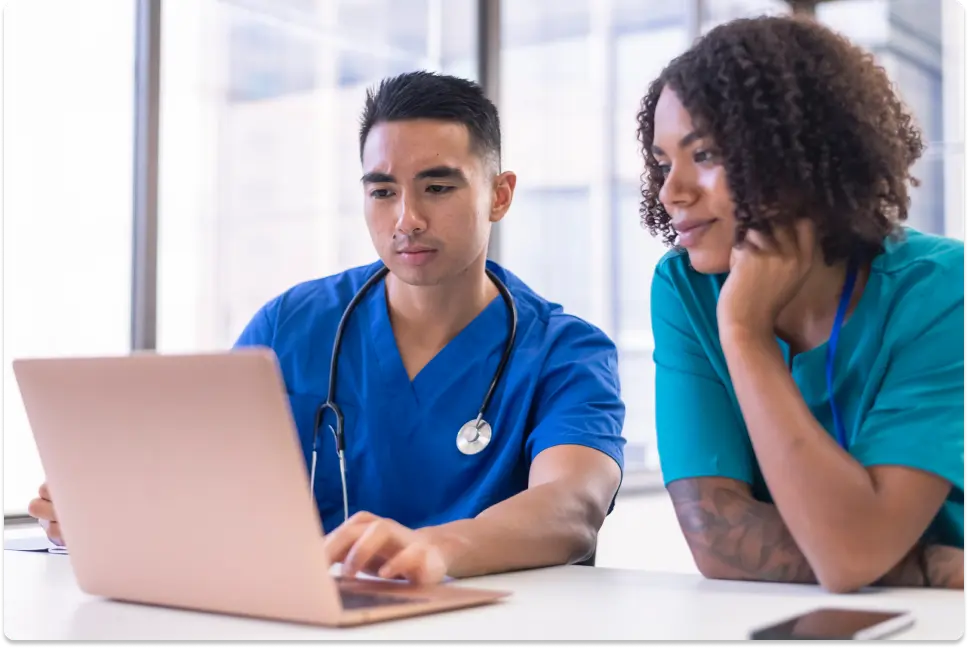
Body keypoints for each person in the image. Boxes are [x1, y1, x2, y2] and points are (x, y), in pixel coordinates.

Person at [28, 71, 626, 585]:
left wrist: (435, 549)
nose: (407, 219)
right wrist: (111, 515)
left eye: (437, 188)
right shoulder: (291, 325)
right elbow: (209, 491)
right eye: (383, 191)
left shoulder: (564, 351)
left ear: (500, 194)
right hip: (313, 620)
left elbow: (572, 507)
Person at [637, 15, 964, 593]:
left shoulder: (942, 290)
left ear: (802, 154)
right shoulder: (685, 288)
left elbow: (851, 556)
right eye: (664, 163)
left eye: (705, 153)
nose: (671, 191)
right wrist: (919, 566)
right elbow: (715, 540)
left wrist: (743, 332)